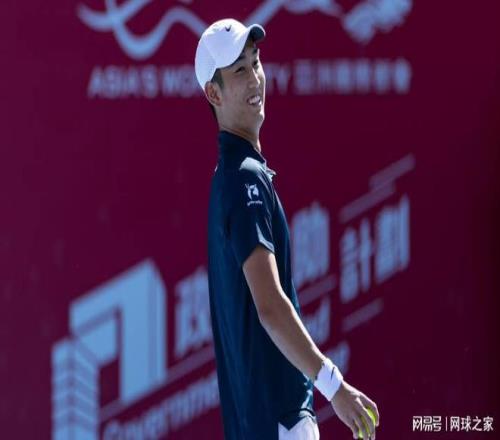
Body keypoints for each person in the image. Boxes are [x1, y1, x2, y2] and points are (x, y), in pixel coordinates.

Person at [195, 18, 380, 440]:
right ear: (214, 93)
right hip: (280, 422)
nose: (254, 78)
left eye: (255, 62)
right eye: (238, 70)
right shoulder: (243, 178)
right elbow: (270, 306)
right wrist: (334, 385)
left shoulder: (235, 175)